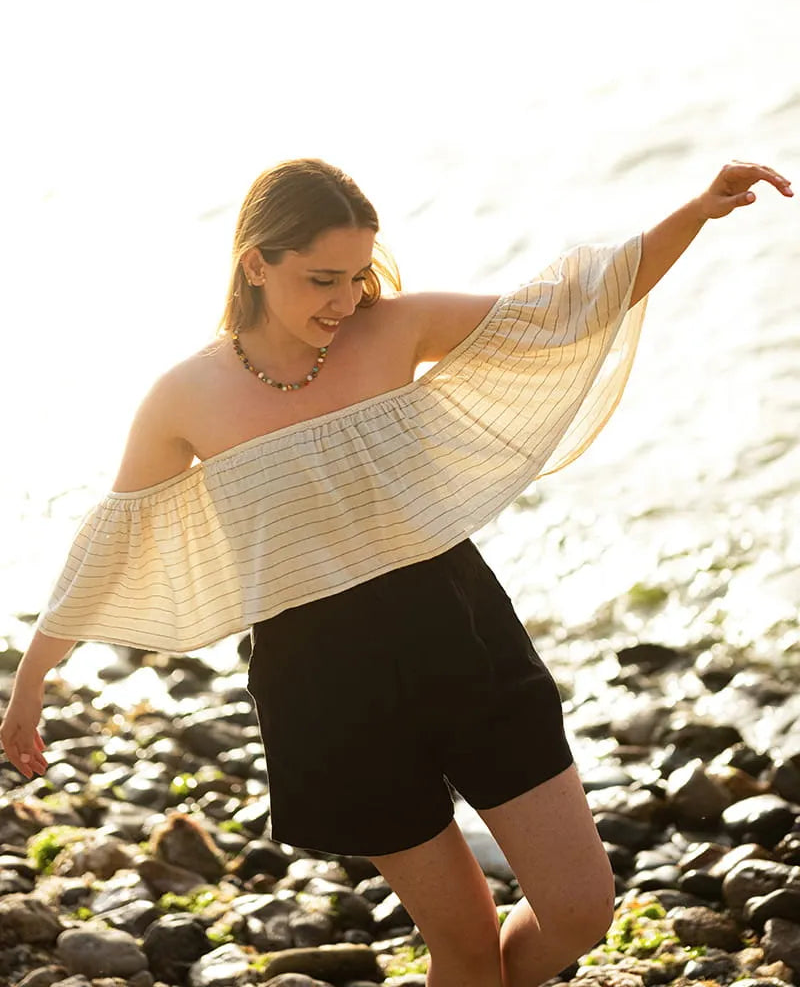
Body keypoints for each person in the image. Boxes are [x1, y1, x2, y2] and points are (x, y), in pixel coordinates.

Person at [1, 157, 793, 987]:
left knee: (579, 909)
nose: (346, 301)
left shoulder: (394, 329)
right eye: (322, 280)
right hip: (323, 687)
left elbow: (571, 306)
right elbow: (115, 544)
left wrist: (697, 212)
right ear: (256, 265)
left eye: (359, 275)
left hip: (462, 634)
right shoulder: (185, 397)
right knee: (462, 945)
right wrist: (33, 680)